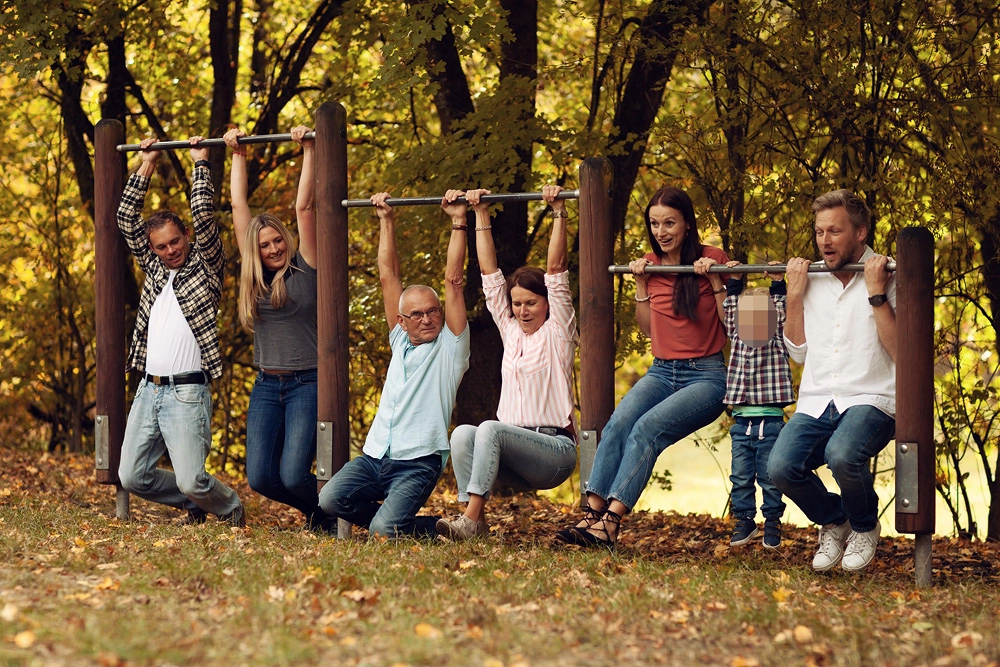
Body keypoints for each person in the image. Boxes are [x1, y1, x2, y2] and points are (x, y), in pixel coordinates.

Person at [555, 186, 730, 549]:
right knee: (618, 423)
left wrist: (714, 280)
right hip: (662, 371)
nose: (662, 231)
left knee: (647, 429)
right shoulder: (650, 264)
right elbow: (649, 328)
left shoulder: (712, 257)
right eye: (655, 224)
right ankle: (592, 515)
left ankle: (611, 523)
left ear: (686, 224)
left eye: (670, 223)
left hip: (707, 376)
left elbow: (733, 327)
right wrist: (639, 282)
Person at [317, 190, 471, 537]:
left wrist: (459, 221)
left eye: (433, 311)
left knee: (385, 532)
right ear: (402, 321)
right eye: (417, 314)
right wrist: (385, 219)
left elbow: (454, 282)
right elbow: (388, 276)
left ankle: (436, 529)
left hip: (417, 462)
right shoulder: (399, 339)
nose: (428, 318)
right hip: (375, 457)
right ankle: (395, 523)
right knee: (329, 499)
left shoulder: (450, 348)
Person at [437, 186, 579, 541]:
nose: (522, 310)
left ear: (547, 303)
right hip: (514, 452)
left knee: (488, 428)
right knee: (463, 435)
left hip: (554, 452)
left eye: (530, 302)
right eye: (516, 304)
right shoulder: (511, 331)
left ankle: (468, 522)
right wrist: (480, 213)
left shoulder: (559, 331)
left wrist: (559, 212)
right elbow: (489, 276)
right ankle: (475, 521)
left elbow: (557, 270)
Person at [117, 136, 244, 527]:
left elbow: (205, 219)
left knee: (192, 477)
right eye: (161, 246)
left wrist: (201, 164)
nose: (170, 250)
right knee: (131, 476)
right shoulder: (155, 268)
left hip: (188, 392)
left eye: (175, 241)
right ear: (152, 249)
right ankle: (194, 502)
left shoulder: (205, 266)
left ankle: (228, 506)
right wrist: (148, 163)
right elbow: (125, 217)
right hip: (148, 389)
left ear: (185, 236)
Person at [768, 189, 896, 573]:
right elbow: (798, 352)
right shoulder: (812, 277)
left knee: (842, 454)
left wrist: (876, 294)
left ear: (860, 232)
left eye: (835, 231)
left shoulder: (887, 273)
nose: (824, 241)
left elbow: (900, 350)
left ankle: (863, 525)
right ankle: (835, 521)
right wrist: (793, 294)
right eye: (820, 231)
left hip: (873, 397)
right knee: (780, 467)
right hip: (819, 397)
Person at [223, 125, 333, 532]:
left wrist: (309, 150)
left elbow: (305, 208)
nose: (272, 248)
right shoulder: (253, 278)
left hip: (308, 381)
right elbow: (238, 207)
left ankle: (334, 509)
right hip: (266, 384)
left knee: (291, 474)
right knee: (260, 478)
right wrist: (238, 154)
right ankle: (321, 512)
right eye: (265, 244)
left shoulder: (305, 266)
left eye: (276, 241)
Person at [721, 262, 795, 549]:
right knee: (740, 476)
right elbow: (730, 308)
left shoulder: (776, 338)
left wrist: (778, 282)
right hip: (741, 422)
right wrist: (735, 280)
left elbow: (781, 308)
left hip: (771, 421)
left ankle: (773, 522)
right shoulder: (737, 337)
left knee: (769, 476)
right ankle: (744, 520)